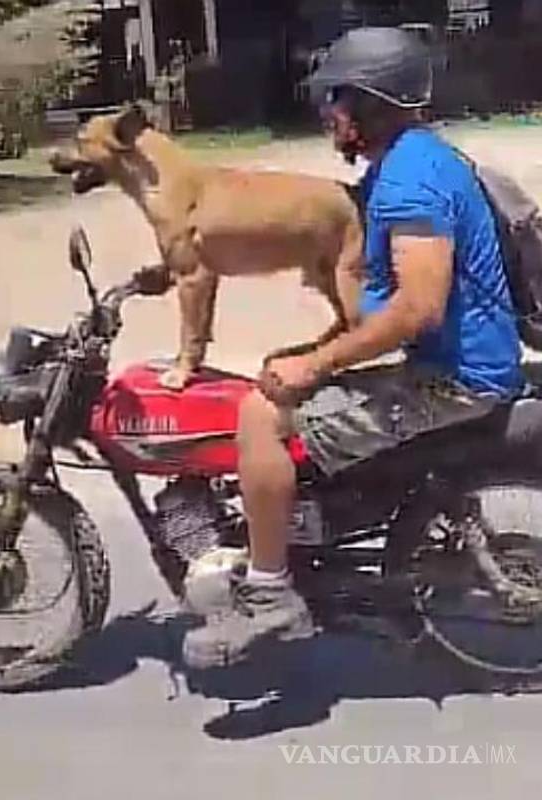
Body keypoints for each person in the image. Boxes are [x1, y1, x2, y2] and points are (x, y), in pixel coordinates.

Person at [182, 27, 524, 669]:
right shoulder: (416, 160)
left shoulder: (411, 183)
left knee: (260, 411)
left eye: (337, 99)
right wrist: (316, 351)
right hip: (454, 361)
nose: (327, 114)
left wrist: (316, 362)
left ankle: (268, 590)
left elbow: (416, 307)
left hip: (455, 381)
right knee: (283, 375)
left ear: (373, 102)